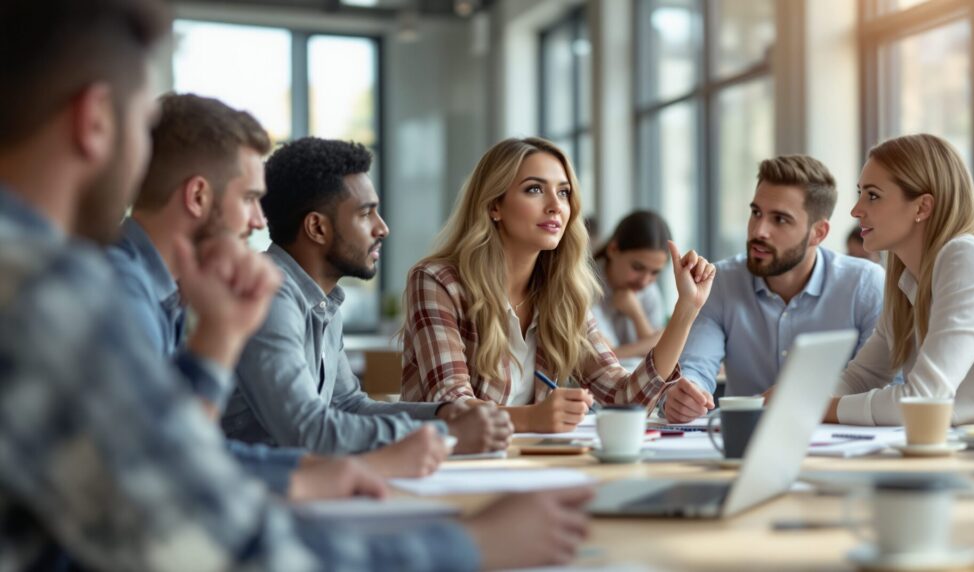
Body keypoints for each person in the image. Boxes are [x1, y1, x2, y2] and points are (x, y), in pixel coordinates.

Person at [0, 1, 592, 569]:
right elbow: (208, 542)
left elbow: (165, 460)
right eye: (139, 130)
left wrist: (298, 461)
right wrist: (472, 544)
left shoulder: (76, 285)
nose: (144, 168)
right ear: (96, 121)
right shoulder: (51, 291)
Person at [108, 93, 445, 493]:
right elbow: (164, 473)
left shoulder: (164, 294)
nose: (257, 220)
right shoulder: (120, 295)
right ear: (198, 197)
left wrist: (317, 476)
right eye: (250, 199)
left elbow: (194, 450)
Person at [223, 137, 514, 464]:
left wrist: (444, 412)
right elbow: (306, 431)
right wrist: (448, 435)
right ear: (317, 227)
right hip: (255, 498)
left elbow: (348, 405)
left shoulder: (322, 301)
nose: (383, 228)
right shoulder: (269, 295)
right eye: (366, 214)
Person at [401, 137, 716, 433]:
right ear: (494, 206)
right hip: (450, 469)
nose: (555, 205)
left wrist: (686, 308)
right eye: (535, 190)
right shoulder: (437, 281)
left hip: (529, 466)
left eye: (564, 192)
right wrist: (532, 418)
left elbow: (625, 399)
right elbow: (452, 407)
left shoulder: (562, 293)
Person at [662, 155, 888, 423]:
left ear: (818, 233)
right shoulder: (721, 282)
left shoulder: (865, 284)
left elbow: (881, 386)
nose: (759, 231)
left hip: (837, 447)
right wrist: (684, 394)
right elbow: (696, 368)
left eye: (780, 220)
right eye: (756, 212)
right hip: (741, 447)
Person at [824, 133, 974, 426]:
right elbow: (861, 377)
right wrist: (800, 403)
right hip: (969, 447)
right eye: (860, 193)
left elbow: (924, 401)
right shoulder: (905, 279)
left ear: (922, 207)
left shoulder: (967, 258)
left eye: (873, 195)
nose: (856, 210)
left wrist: (823, 409)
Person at [591, 210, 672, 359]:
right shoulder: (585, 284)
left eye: (655, 272)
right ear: (613, 250)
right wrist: (653, 343)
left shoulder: (649, 291)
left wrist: (636, 314)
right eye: (637, 267)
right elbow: (601, 357)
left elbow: (660, 354)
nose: (644, 281)